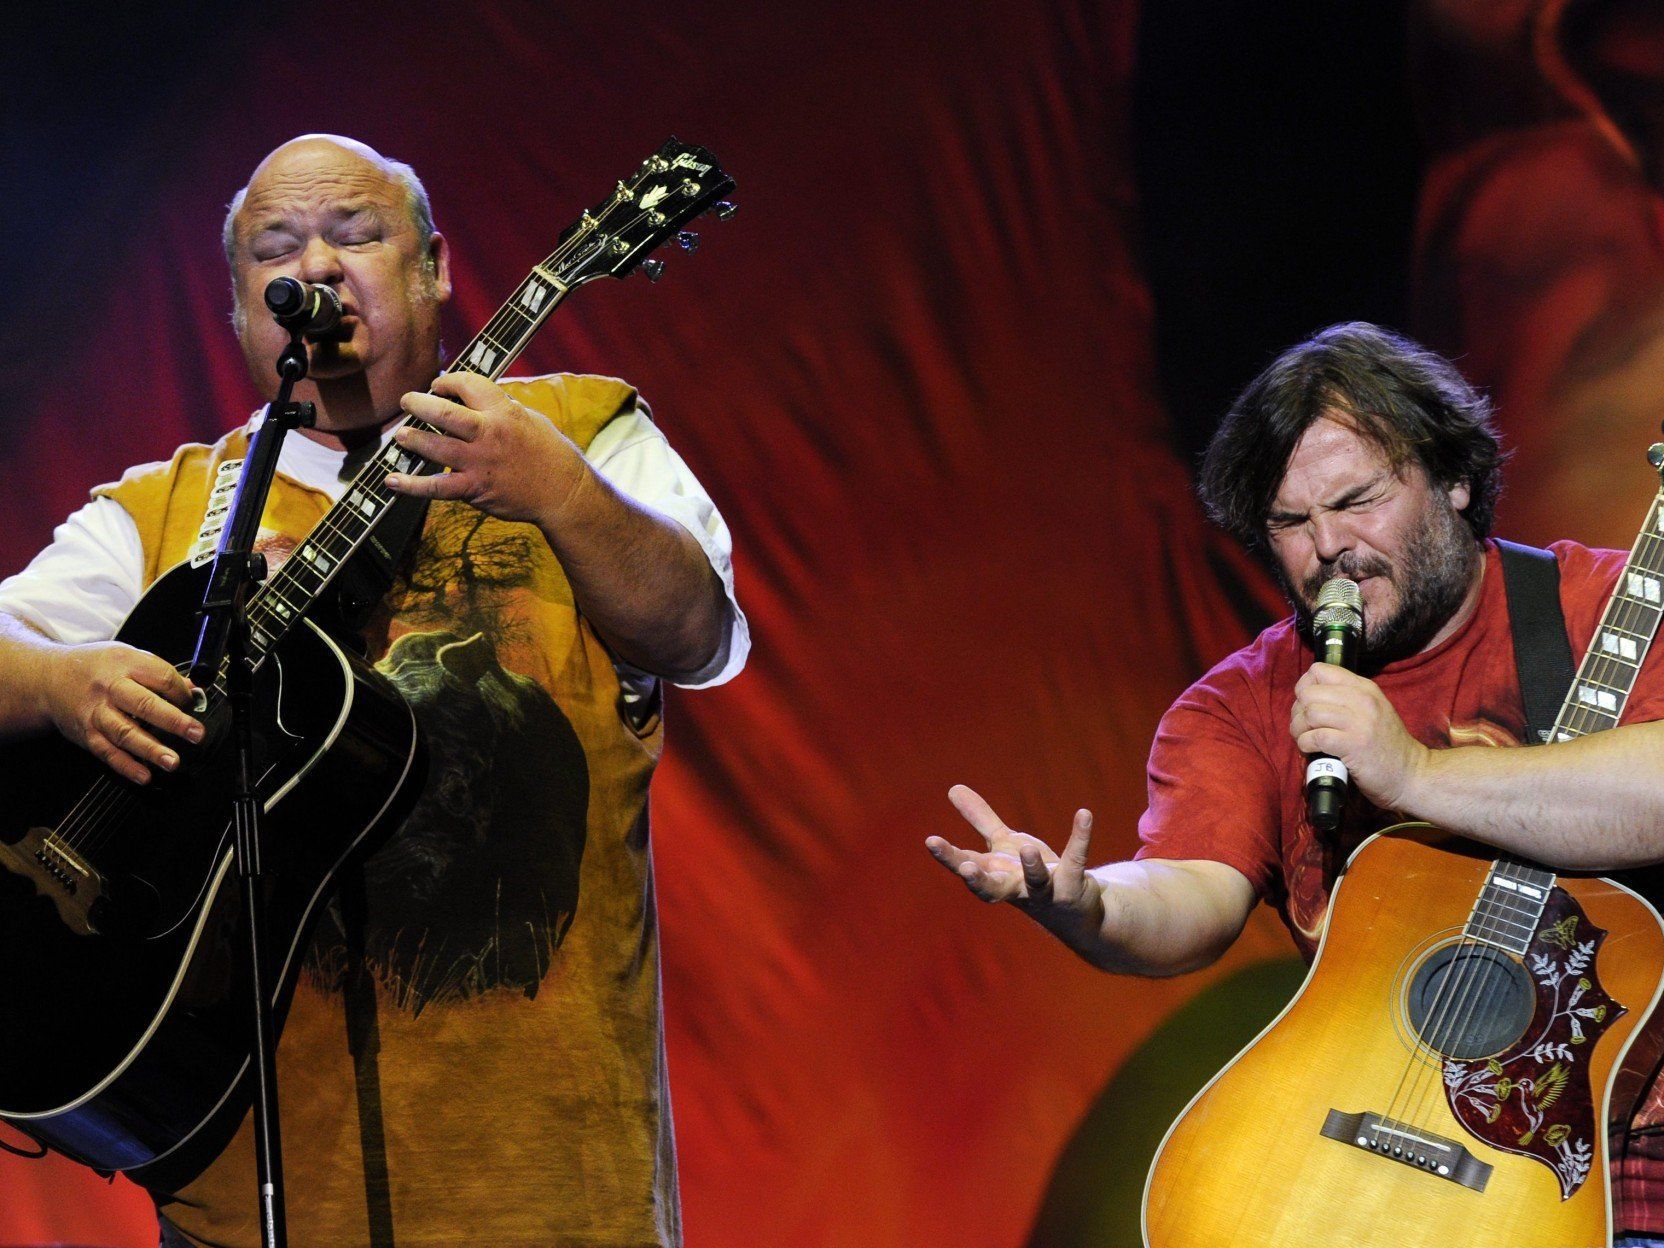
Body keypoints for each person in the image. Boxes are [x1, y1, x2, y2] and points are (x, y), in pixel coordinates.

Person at [0, 134, 747, 1247]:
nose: (319, 268)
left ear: (434, 265)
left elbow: (698, 637)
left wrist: (555, 491)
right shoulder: (164, 508)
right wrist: (61, 683)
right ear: (240, 302)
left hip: (550, 1188)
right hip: (255, 1197)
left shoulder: (582, 433)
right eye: (277, 248)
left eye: (356, 235)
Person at [925, 321, 1664, 1244]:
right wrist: (1082, 902)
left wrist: (1416, 773)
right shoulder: (1242, 704)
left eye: (1356, 502)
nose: (1329, 549)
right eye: (1290, 522)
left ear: (1454, 479)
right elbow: (1189, 889)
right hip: (1351, 1152)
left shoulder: (1604, 609)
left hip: (1627, 1141)